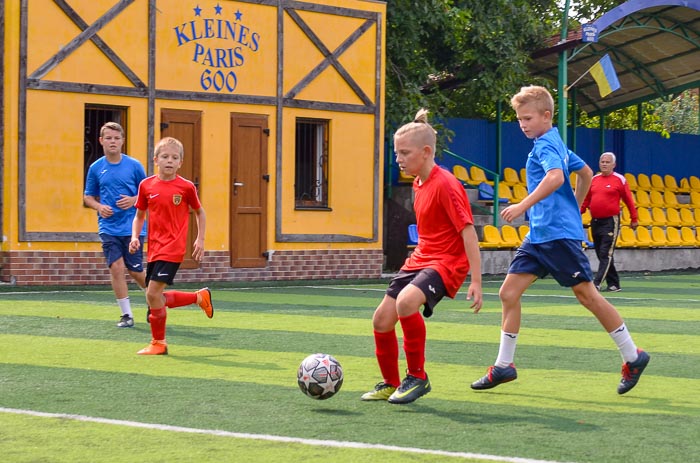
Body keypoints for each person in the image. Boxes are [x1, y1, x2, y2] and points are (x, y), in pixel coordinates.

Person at [470, 86, 649, 395]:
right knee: (508, 293)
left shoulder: (546, 146)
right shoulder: (553, 143)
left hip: (557, 236)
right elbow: (586, 173)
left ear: (546, 116)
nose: (522, 124)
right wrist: (574, 209)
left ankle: (633, 356)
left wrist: (524, 205)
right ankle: (504, 366)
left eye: (527, 118)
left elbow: (555, 178)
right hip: (540, 236)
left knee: (588, 296)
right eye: (519, 119)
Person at [361, 109, 483, 405]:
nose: (398, 159)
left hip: (446, 263)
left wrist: (476, 280)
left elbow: (468, 232)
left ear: (426, 152)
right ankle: (391, 383)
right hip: (420, 259)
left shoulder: (447, 184)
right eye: (396, 152)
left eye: (404, 153)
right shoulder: (417, 183)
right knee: (381, 320)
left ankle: (417, 377)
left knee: (406, 303)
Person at [129, 137, 213, 355]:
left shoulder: (186, 187)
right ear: (156, 159)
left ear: (180, 163)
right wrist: (134, 237)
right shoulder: (146, 185)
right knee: (154, 296)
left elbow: (200, 212)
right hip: (154, 248)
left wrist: (200, 239)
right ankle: (198, 297)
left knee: (153, 294)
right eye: (165, 156)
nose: (169, 161)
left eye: (174, 158)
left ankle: (159, 343)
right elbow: (139, 215)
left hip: (173, 248)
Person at [84, 122, 147, 328]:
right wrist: (99, 207)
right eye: (108, 138)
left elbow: (149, 194)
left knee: (135, 270)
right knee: (116, 268)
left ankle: (154, 299)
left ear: (122, 141)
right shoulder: (95, 168)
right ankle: (126, 315)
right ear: (101, 141)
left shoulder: (135, 165)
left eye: (116, 138)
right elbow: (88, 197)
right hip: (108, 227)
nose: (113, 142)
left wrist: (133, 200)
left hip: (133, 227)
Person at [580, 152, 638, 292]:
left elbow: (628, 200)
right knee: (601, 253)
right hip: (595, 221)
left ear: (613, 164)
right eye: (602, 162)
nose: (604, 164)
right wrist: (578, 213)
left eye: (607, 162)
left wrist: (634, 218)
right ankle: (614, 284)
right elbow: (586, 199)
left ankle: (596, 283)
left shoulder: (619, 180)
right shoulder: (594, 179)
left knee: (606, 253)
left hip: (611, 221)